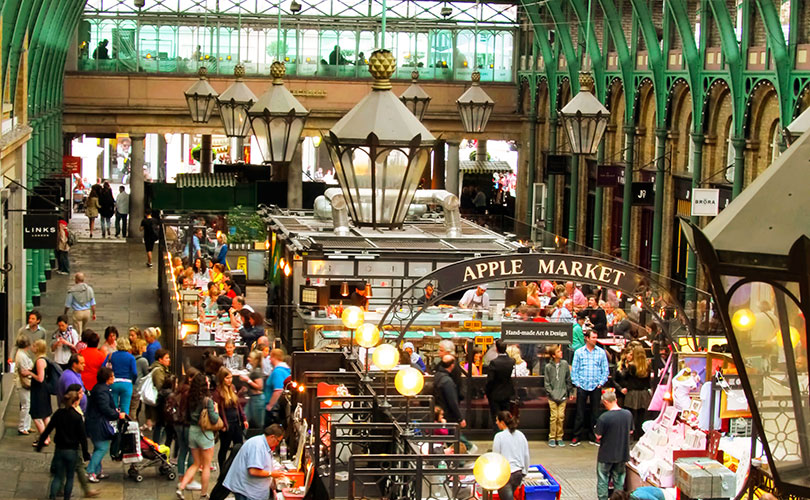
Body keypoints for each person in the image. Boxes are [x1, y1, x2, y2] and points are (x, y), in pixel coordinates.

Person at [35, 391, 91, 500]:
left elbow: (47, 431)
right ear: (75, 402)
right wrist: (85, 453)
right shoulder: (77, 417)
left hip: (59, 449)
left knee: (58, 477)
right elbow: (82, 438)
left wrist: (40, 444)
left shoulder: (58, 414)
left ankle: (52, 496)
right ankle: (66, 497)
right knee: (70, 477)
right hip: (72, 451)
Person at [176, 371, 220, 499]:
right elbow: (213, 419)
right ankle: (203, 493)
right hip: (205, 433)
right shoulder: (208, 400)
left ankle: (182, 486)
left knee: (195, 463)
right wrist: (216, 411)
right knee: (206, 466)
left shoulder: (190, 398)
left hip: (193, 431)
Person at [85, 367, 127, 482]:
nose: (114, 378)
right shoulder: (102, 391)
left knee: (98, 447)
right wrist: (117, 415)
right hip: (97, 423)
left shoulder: (101, 389)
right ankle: (90, 471)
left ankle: (97, 471)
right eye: (112, 376)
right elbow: (104, 408)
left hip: (95, 422)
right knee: (102, 448)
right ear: (107, 378)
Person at [222, 424, 285, 500]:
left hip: (252, 490)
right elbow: (253, 471)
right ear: (272, 437)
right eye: (278, 441)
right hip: (246, 492)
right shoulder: (257, 446)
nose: (277, 444)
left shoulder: (263, 444)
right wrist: (271, 474)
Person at [571, 331, 609, 446]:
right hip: (582, 385)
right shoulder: (579, 352)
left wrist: (601, 383)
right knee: (580, 413)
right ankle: (576, 436)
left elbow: (605, 369)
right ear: (587, 338)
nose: (595, 340)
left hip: (595, 386)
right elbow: (574, 369)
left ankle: (594, 436)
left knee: (595, 413)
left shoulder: (601, 353)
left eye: (596, 337)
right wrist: (577, 383)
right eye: (593, 337)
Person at [595, 390, 634, 500]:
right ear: (616, 400)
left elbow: (598, 436)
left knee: (603, 479)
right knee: (619, 479)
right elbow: (631, 431)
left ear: (605, 402)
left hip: (606, 454)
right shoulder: (627, 414)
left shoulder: (604, 417)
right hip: (622, 453)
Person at [432, 354, 474, 452]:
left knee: (452, 436)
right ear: (452, 365)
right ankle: (467, 450)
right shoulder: (447, 381)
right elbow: (453, 401)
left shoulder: (438, 376)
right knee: (454, 436)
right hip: (448, 414)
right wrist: (460, 418)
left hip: (442, 412)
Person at [213, 368, 248, 467]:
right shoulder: (218, 392)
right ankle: (222, 469)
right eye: (227, 378)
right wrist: (222, 424)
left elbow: (238, 405)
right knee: (224, 447)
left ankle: (236, 467)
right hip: (226, 424)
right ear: (222, 379)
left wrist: (244, 418)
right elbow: (218, 410)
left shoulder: (232, 388)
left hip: (236, 422)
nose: (230, 380)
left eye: (231, 377)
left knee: (239, 445)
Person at [492, 411, 530, 500]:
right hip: (518, 474)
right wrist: (525, 472)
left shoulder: (499, 436)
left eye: (497, 420)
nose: (496, 422)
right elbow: (526, 455)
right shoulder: (521, 435)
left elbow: (496, 457)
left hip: (505, 475)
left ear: (502, 422)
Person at [617, 345, 652, 439]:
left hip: (632, 393)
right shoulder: (647, 365)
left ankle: (629, 433)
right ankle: (639, 433)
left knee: (630, 414)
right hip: (643, 393)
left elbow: (624, 376)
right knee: (641, 414)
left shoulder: (632, 366)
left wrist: (625, 367)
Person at [544, 344, 573, 447]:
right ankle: (552, 437)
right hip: (552, 396)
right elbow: (546, 382)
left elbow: (568, 379)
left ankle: (559, 437)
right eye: (558, 352)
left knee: (561, 417)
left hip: (563, 395)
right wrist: (551, 393)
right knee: (554, 417)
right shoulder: (548, 367)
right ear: (553, 355)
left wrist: (570, 392)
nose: (561, 353)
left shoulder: (565, 364)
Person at [486, 340, 515, 428]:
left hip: (495, 394)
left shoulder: (494, 363)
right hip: (507, 393)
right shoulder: (511, 361)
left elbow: (490, 380)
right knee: (506, 416)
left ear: (496, 349)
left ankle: (498, 435)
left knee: (497, 417)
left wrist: (487, 392)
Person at [30, 339, 53, 444]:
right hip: (44, 390)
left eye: (34, 345)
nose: (32, 347)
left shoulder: (40, 361)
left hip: (39, 391)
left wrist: (29, 373)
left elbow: (40, 378)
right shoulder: (45, 359)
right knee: (45, 415)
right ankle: (46, 436)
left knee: (36, 415)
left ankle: (44, 438)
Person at [108, 337, 138, 414]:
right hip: (127, 383)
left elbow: (103, 366)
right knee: (125, 407)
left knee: (113, 407)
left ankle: (113, 423)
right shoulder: (131, 357)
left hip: (114, 382)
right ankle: (124, 424)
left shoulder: (112, 355)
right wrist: (132, 381)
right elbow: (134, 372)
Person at [145, 348, 171, 437]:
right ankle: (157, 443)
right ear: (160, 359)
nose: (169, 360)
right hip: (159, 400)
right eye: (166, 358)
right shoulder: (158, 371)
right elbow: (160, 385)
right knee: (159, 424)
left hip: (158, 400)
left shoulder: (160, 369)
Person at [240, 351, 266, 428]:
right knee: (245, 419)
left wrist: (247, 380)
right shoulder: (253, 370)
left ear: (255, 360)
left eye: (250, 358)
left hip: (258, 399)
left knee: (259, 423)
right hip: (252, 398)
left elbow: (260, 386)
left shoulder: (257, 371)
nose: (248, 359)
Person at [264, 348, 290, 426]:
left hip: (275, 409)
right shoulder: (286, 370)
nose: (269, 360)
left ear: (274, 357)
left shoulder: (278, 372)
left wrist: (270, 406)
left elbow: (278, 391)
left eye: (270, 357)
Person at [15, 337, 34, 435]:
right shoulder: (21, 355)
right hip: (23, 382)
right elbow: (23, 371)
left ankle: (27, 425)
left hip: (24, 381)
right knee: (26, 405)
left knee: (28, 404)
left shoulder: (22, 354)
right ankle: (22, 427)